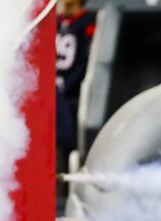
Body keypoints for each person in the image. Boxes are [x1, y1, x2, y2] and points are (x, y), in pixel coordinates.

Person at [56, 0, 96, 162]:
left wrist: (66, 85)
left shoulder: (88, 22)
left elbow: (86, 61)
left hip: (71, 94)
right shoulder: (55, 22)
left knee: (68, 141)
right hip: (53, 90)